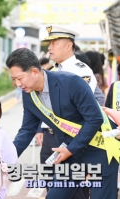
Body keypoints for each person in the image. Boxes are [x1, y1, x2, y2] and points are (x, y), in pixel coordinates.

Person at [6, 48, 119, 199]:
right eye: (14, 79)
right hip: (69, 153)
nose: (17, 84)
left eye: (19, 78)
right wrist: (6, 158)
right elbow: (27, 129)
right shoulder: (29, 95)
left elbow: (95, 119)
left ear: (34, 71)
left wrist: (71, 149)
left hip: (101, 149)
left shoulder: (71, 82)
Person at [36, 26, 103, 198]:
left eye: (54, 43)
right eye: (49, 43)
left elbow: (80, 112)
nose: (49, 48)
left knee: (74, 191)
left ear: (68, 45)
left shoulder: (81, 71)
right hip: (50, 137)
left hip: (70, 138)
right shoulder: (51, 72)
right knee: (51, 186)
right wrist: (40, 128)